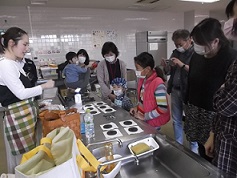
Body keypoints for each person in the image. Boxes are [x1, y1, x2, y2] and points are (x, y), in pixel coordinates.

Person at [0, 27, 55, 173]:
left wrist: (37, 104)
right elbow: (20, 93)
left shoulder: (15, 64)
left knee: (30, 157)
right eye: (24, 44)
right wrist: (44, 86)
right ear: (11, 43)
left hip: (25, 117)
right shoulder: (5, 65)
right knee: (22, 161)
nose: (27, 48)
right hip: (18, 120)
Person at [184, 18, 236, 162]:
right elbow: (191, 80)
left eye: (201, 43)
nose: (197, 47)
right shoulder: (197, 56)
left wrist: (214, 131)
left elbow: (229, 98)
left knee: (215, 155)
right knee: (201, 150)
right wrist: (187, 103)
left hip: (216, 117)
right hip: (196, 110)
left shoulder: (231, 58)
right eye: (195, 42)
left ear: (215, 41)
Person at [161, 29, 198, 153]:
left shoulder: (196, 53)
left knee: (191, 122)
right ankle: (178, 146)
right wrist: (166, 66)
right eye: (176, 45)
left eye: (180, 44)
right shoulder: (175, 52)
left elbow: (196, 72)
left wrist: (181, 64)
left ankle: (194, 149)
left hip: (189, 92)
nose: (178, 47)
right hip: (175, 90)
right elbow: (168, 72)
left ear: (189, 40)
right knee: (176, 120)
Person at [130, 52, 170, 128]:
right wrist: (137, 108)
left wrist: (145, 117)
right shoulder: (143, 80)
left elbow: (162, 108)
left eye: (138, 68)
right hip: (144, 120)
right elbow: (143, 100)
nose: (136, 71)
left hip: (153, 122)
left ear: (147, 69)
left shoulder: (158, 84)